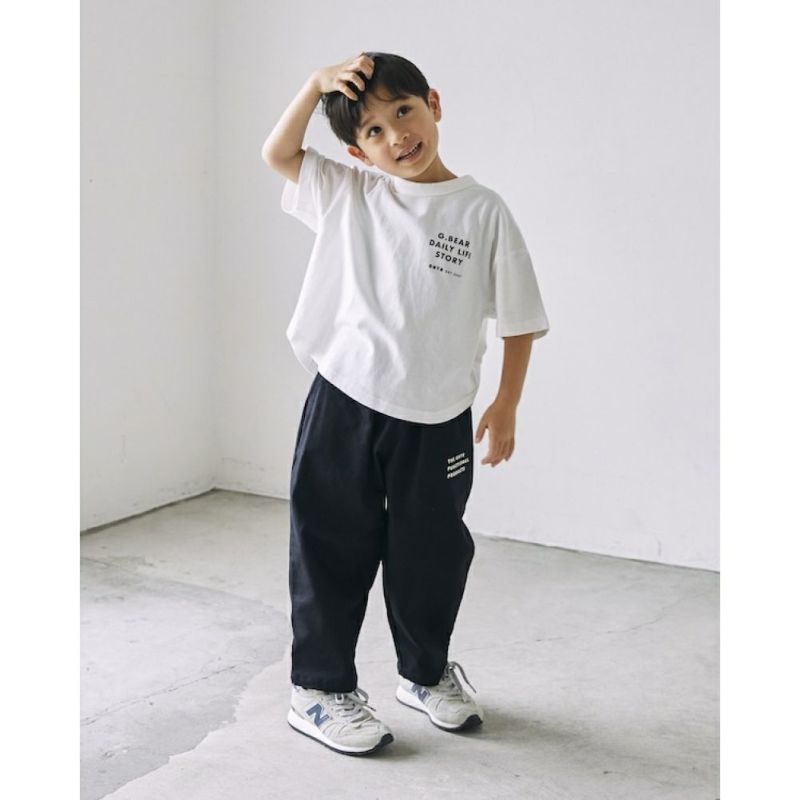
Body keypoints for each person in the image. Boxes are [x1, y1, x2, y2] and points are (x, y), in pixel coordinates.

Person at [261, 51, 550, 756]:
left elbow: (518, 318)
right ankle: (319, 690)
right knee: (330, 545)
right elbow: (278, 154)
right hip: (345, 401)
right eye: (374, 131)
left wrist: (507, 403)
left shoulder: (482, 210)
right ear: (358, 151)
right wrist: (315, 86)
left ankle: (424, 675)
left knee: (433, 554)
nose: (397, 136)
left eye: (404, 111)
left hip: (438, 418)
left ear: (434, 104)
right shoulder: (352, 192)